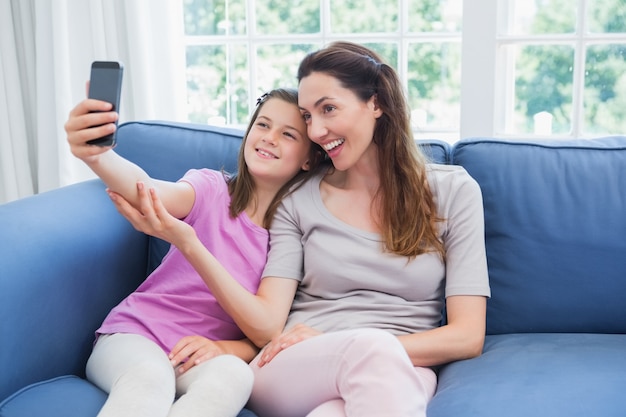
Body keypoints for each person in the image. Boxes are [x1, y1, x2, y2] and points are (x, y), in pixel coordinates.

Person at [112, 41, 491, 417]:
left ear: (376, 103)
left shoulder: (454, 192)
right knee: (371, 354)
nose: (318, 130)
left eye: (328, 109)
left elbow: (467, 336)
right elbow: (268, 322)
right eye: (308, 117)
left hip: (399, 367)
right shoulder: (297, 201)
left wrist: (362, 345)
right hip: (294, 363)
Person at [64, 87, 322, 417]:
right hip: (134, 335)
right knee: (149, 377)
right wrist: (97, 155)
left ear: (309, 159)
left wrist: (228, 348)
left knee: (235, 375)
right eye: (262, 125)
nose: (269, 138)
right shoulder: (212, 189)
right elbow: (148, 190)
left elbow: (268, 330)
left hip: (194, 356)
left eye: (288, 134)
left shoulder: (293, 239)